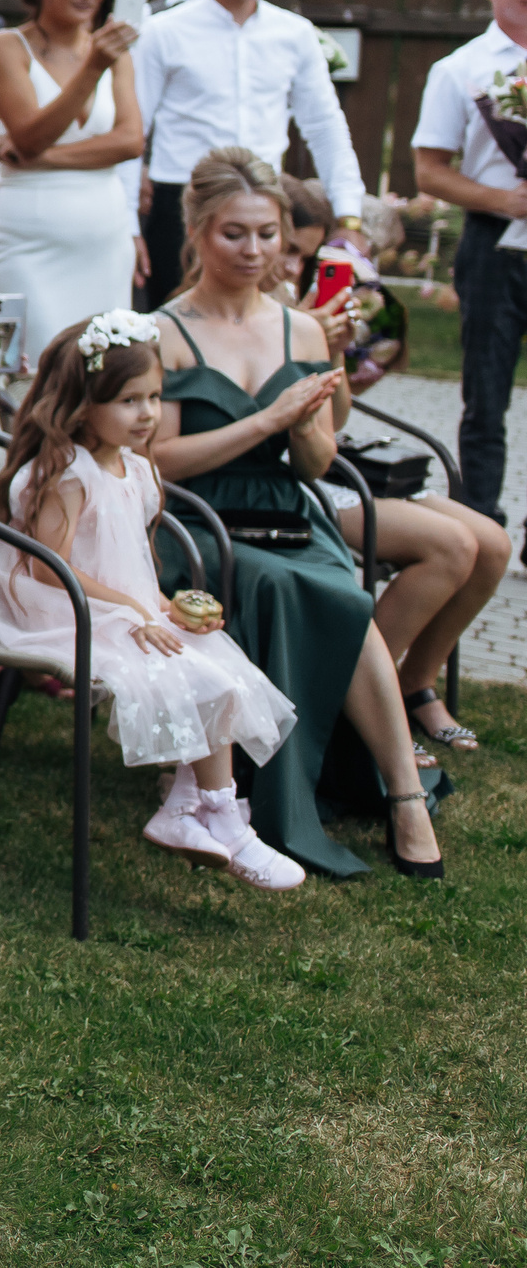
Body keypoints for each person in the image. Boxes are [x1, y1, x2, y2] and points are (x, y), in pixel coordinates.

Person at [150, 148, 443, 878]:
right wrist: (263, 422)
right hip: (199, 517)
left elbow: (313, 464)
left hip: (286, 509)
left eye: (268, 234)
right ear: (197, 231)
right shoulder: (164, 331)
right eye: (234, 234)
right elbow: (160, 460)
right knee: (290, 586)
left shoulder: (302, 330)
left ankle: (403, 791)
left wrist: (311, 427)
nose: (254, 251)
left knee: (344, 590)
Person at [0, 314, 304, 890]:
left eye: (155, 396)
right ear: (82, 405)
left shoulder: (132, 467)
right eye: (130, 400)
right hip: (60, 612)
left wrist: (160, 604)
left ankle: (187, 807)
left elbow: (124, 561)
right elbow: (46, 571)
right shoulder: (70, 474)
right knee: (192, 677)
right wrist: (132, 613)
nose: (149, 413)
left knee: (221, 669)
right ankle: (220, 817)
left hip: (113, 605)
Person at [276, 179, 505, 758]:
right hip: (286, 477)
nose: (289, 264)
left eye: (304, 253)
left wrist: (328, 349)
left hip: (336, 461)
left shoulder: (302, 304)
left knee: (494, 544)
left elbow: (340, 410)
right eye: (285, 248)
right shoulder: (249, 312)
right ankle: (352, 703)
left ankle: (411, 683)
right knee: (451, 547)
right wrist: (293, 335)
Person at [135, 0, 367, 309]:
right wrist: (126, 226)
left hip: (264, 203)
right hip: (181, 204)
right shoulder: (163, 31)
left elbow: (325, 125)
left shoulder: (294, 34)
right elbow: (132, 129)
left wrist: (349, 215)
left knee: (261, 331)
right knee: (176, 334)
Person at [0, 0, 146, 361]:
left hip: (104, 241)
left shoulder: (116, 52)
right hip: (26, 242)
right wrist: (92, 68)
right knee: (18, 368)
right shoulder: (5, 47)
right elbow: (31, 134)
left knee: (103, 373)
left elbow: (131, 141)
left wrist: (40, 158)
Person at [412, 0, 527, 529]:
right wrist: (504, 200)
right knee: (486, 395)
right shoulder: (460, 70)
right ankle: (482, 523)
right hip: (492, 245)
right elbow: (429, 170)